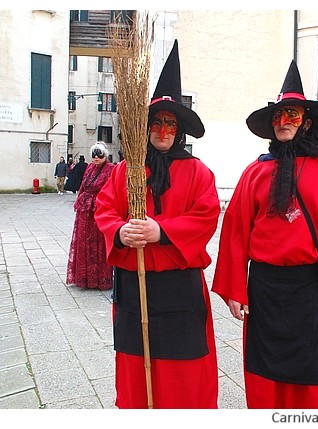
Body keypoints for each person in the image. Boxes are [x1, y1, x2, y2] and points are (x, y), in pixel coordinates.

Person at [212, 60, 318, 409]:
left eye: (293, 115)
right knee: (264, 368)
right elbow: (235, 234)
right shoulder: (255, 173)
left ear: (307, 122)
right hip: (265, 288)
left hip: (311, 287)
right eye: (278, 116)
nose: (283, 122)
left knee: (313, 370)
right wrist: (234, 290)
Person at [94, 40, 220, 408]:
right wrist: (120, 231)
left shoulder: (198, 172)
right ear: (145, 126)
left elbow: (206, 215)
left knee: (184, 365)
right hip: (135, 283)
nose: (163, 130)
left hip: (179, 286)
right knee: (136, 361)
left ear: (179, 129)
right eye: (157, 122)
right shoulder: (125, 171)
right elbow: (105, 209)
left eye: (170, 123)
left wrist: (161, 231)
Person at [66, 142, 115, 290]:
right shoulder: (89, 168)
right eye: (93, 155)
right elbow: (82, 186)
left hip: (100, 210)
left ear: (104, 155)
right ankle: (84, 277)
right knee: (83, 240)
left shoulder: (111, 169)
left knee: (99, 243)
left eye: (99, 155)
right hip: (85, 210)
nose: (95, 158)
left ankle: (100, 278)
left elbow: (112, 190)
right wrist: (79, 201)